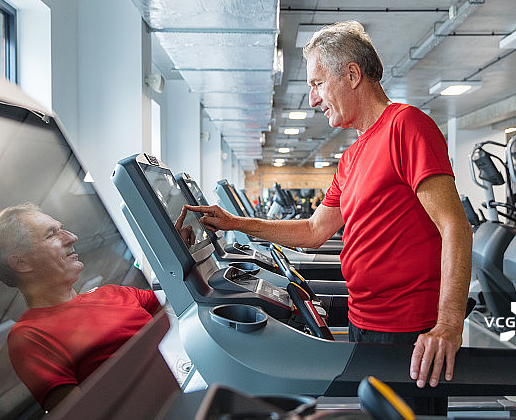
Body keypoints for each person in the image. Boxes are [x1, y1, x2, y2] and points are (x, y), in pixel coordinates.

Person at [188, 21, 472, 392]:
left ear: (352, 75)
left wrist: (449, 325)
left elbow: (455, 226)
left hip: (408, 333)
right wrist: (234, 223)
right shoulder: (351, 158)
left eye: (317, 84)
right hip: (362, 321)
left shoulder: (407, 126)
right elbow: (313, 231)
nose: (313, 99)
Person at [0, 203, 161, 411]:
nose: (71, 237)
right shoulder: (30, 337)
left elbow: (181, 307)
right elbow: (81, 419)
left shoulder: (113, 292)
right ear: (22, 263)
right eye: (51, 235)